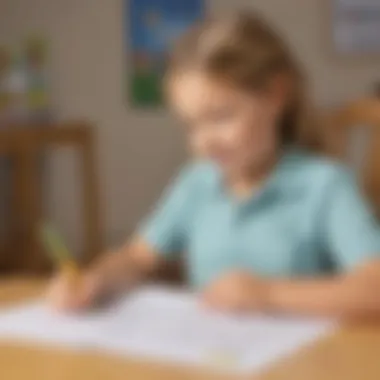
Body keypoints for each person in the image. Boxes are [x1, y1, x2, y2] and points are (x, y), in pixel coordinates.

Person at [48, 12, 380, 318]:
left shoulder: (324, 186)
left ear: (276, 94)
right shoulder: (198, 182)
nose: (203, 142)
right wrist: (95, 279)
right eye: (191, 125)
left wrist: (269, 294)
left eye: (221, 117)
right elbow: (137, 257)